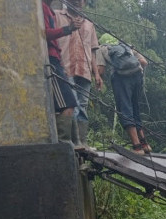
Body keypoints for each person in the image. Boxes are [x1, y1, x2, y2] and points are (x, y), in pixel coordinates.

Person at [54, 0, 102, 150]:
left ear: (84, 3)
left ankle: (82, 142)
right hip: (65, 66)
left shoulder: (89, 24)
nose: (77, 1)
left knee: (82, 105)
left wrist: (97, 74)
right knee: (71, 104)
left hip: (85, 70)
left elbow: (93, 51)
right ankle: (73, 142)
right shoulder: (57, 16)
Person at [96, 34, 151, 155]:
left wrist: (95, 72)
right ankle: (145, 144)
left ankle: (137, 147)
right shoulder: (126, 46)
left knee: (125, 110)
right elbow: (144, 62)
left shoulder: (101, 48)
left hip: (121, 79)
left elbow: (101, 70)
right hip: (137, 77)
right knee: (135, 108)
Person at [42, 0, 81, 143]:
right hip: (51, 60)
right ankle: (64, 145)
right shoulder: (41, 7)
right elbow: (44, 33)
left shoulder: (49, 10)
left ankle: (71, 144)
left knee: (69, 104)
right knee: (68, 103)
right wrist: (68, 29)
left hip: (56, 60)